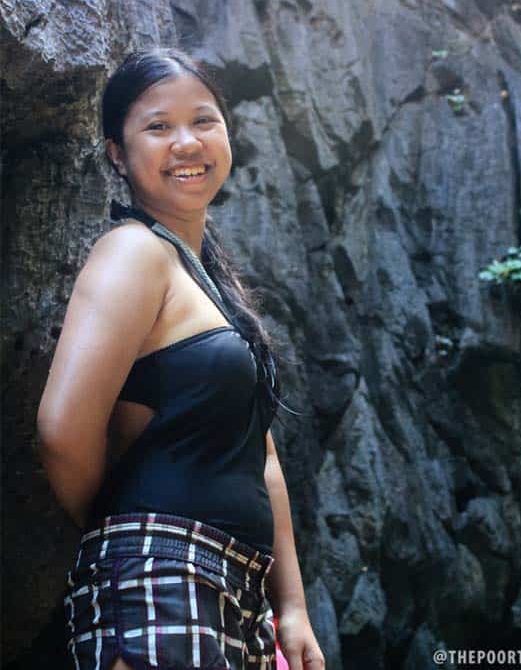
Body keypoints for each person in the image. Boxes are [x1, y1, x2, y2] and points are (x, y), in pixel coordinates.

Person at [37, 49, 325, 670]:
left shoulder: (208, 279)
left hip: (235, 589)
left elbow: (261, 454)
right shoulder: (132, 252)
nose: (187, 142)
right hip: (161, 581)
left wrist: (292, 606)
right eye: (158, 126)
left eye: (203, 120)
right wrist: (136, 535)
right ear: (118, 152)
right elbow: (63, 432)